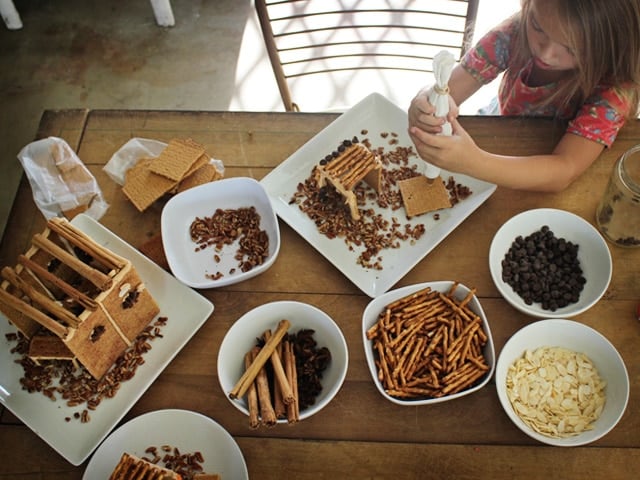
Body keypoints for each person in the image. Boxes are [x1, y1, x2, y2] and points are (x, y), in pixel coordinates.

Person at [407, 0, 640, 192]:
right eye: (538, 27)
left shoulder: (616, 89)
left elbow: (564, 170)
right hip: (504, 121)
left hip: (550, 165)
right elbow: (448, 89)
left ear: (612, 49)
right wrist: (428, 101)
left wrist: (474, 162)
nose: (546, 53)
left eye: (573, 49)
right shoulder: (514, 32)